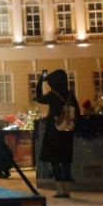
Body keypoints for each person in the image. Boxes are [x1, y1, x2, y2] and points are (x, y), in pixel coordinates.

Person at [35, 68, 77, 198]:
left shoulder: (53, 95)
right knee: (65, 160)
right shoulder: (70, 94)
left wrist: (40, 81)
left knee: (54, 159)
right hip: (67, 130)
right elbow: (78, 112)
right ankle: (67, 189)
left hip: (54, 130)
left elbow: (39, 98)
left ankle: (59, 188)